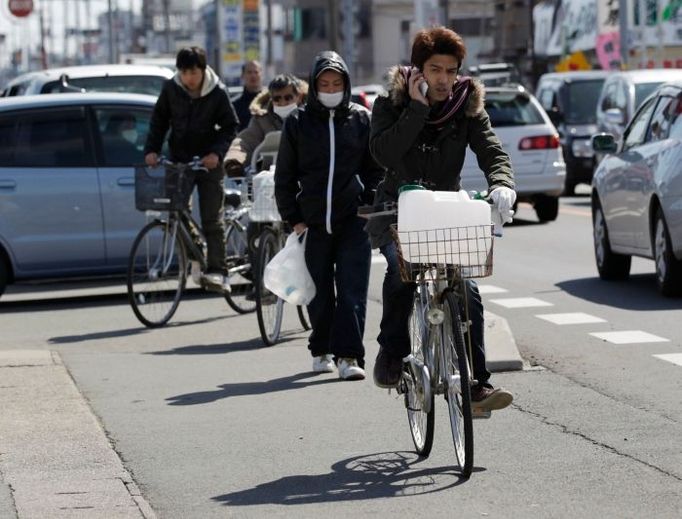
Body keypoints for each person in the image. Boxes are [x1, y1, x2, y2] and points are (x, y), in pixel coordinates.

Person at [368, 27, 516, 410]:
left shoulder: (467, 106)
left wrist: (502, 184)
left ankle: (476, 385)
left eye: (451, 71)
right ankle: (392, 352)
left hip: (445, 210)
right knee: (401, 273)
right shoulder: (391, 102)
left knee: (467, 292)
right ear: (418, 70)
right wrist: (416, 109)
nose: (444, 80)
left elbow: (492, 151)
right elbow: (383, 153)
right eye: (435, 69)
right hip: (397, 208)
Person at [275, 51, 384, 381]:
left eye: (337, 83)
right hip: (312, 222)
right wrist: (293, 217)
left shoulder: (361, 119)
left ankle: (350, 356)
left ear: (346, 84)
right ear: (314, 84)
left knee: (353, 290)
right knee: (319, 293)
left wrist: (368, 205)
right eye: (325, 83)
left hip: (354, 221)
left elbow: (375, 169)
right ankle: (321, 349)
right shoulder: (298, 122)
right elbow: (285, 175)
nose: (331, 88)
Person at [144, 46, 239, 291]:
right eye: (184, 72)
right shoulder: (171, 89)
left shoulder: (217, 91)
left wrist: (216, 154)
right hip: (180, 159)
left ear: (203, 70)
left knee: (211, 218)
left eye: (193, 72)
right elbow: (158, 121)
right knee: (175, 212)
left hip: (209, 163)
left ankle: (218, 272)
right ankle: (198, 255)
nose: (189, 78)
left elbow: (230, 126)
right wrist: (152, 150)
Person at [224, 73, 308, 177]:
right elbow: (245, 142)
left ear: (299, 97)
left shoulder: (310, 116)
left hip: (306, 174)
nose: (282, 102)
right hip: (270, 178)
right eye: (277, 99)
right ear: (271, 100)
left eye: (288, 97)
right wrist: (234, 162)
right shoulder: (262, 118)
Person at [232, 60, 264, 132]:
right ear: (242, 76)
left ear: (261, 75)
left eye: (256, 72)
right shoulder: (234, 105)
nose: (253, 75)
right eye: (249, 72)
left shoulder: (270, 102)